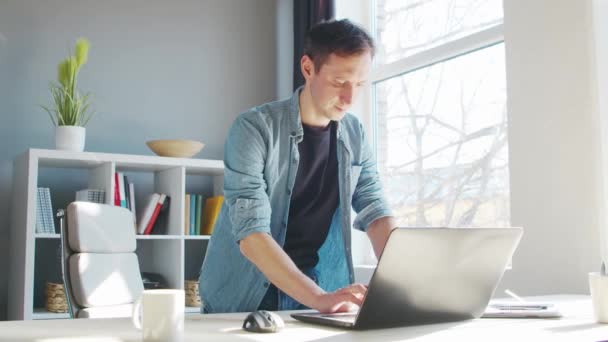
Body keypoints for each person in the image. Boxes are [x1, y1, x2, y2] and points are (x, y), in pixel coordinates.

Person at [199, 19, 396, 314]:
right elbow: (252, 234)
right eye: (339, 82)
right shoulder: (253, 128)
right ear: (307, 68)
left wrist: (409, 282)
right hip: (246, 295)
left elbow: (376, 211)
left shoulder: (355, 134)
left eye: (359, 84)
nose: (350, 98)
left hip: (321, 287)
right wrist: (318, 298)